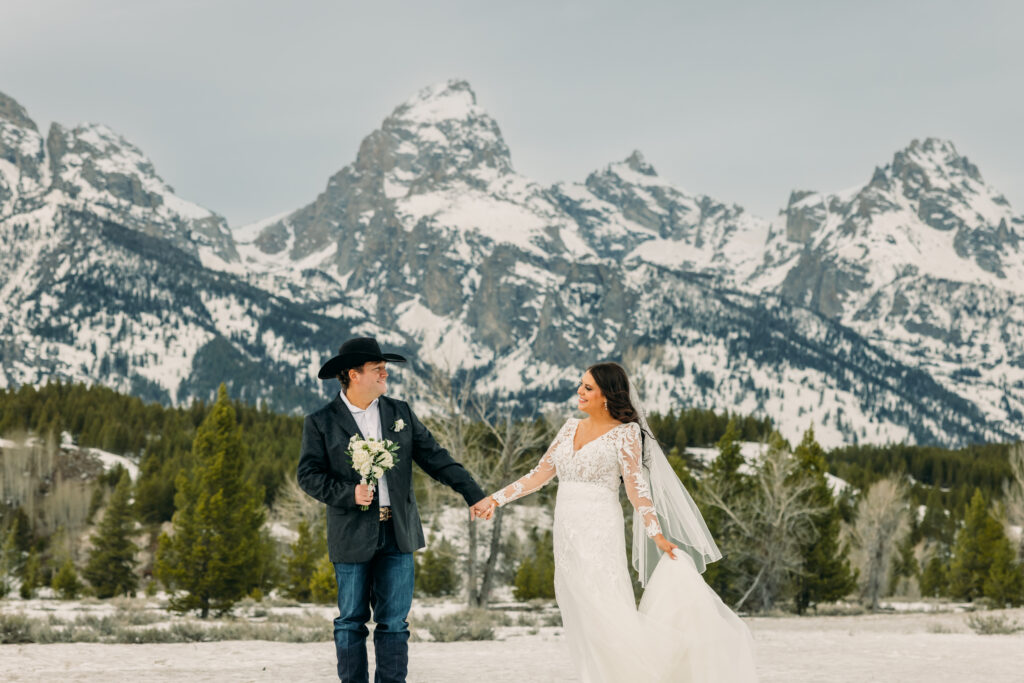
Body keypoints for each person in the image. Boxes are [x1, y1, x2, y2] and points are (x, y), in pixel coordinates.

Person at [471, 362, 758, 682]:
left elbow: (637, 490)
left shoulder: (626, 433)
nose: (579, 391)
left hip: (599, 530)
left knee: (604, 609)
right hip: (566, 534)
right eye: (580, 385)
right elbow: (539, 475)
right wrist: (495, 499)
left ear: (607, 395)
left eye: (588, 387)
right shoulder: (568, 428)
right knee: (578, 611)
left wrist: (657, 534)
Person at [298, 337, 490, 683]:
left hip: (398, 533)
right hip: (351, 534)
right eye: (378, 369)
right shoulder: (321, 422)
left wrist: (472, 493)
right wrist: (348, 493)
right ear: (353, 375)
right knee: (350, 621)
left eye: (384, 368)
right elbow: (308, 476)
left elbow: (435, 457)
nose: (385, 373)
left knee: (394, 623)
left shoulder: (400, 413)